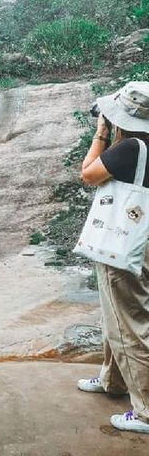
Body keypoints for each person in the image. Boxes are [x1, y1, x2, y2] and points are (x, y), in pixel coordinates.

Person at [79, 81, 149, 434]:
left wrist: (102, 134)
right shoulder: (142, 147)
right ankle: (114, 381)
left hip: (125, 244)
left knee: (130, 324)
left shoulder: (131, 149)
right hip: (144, 239)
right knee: (119, 316)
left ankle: (145, 413)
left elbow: (88, 173)